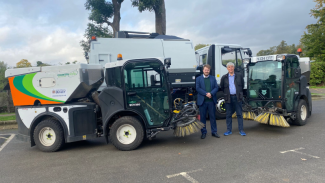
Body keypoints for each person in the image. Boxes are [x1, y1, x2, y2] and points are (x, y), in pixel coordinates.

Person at [220, 62, 246, 136]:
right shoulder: (224, 77)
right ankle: (229, 130)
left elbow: (242, 85)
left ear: (234, 67)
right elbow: (222, 87)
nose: (230, 68)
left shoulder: (239, 76)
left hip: (237, 97)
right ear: (227, 68)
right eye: (229, 67)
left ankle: (241, 130)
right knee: (228, 114)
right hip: (228, 98)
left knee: (239, 114)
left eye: (232, 67)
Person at [196, 64, 219, 139]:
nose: (206, 71)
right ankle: (203, 132)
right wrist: (206, 94)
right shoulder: (198, 78)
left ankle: (214, 132)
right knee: (202, 118)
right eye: (205, 70)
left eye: (208, 70)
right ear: (203, 70)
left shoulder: (213, 78)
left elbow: (216, 87)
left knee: (212, 117)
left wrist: (211, 93)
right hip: (202, 101)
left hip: (211, 101)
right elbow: (198, 88)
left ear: (209, 71)